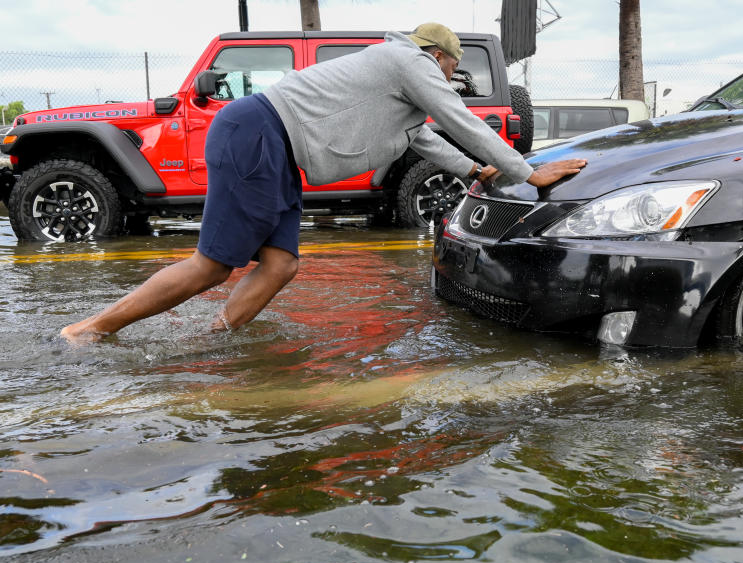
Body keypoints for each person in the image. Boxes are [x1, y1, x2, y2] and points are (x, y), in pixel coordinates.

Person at [61, 23, 587, 343]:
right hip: (255, 132)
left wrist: (476, 170)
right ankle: (90, 330)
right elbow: (456, 116)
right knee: (213, 266)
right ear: (440, 55)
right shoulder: (410, 59)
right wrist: (528, 171)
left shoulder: (398, 87)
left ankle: (218, 338)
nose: (450, 76)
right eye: (453, 66)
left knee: (282, 264)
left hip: (277, 151)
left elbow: (424, 139)